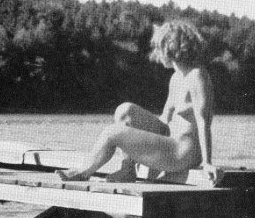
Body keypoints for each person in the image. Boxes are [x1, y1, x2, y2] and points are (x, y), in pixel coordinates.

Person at [59, 19, 220, 185]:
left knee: (111, 133)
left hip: (184, 152)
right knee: (125, 110)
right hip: (170, 141)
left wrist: (207, 163)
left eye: (158, 48)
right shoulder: (176, 78)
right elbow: (165, 120)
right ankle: (128, 169)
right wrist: (136, 139)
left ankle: (83, 172)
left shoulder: (197, 75)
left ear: (170, 47)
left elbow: (203, 122)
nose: (156, 54)